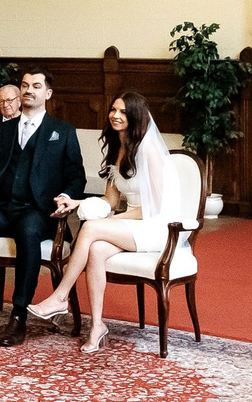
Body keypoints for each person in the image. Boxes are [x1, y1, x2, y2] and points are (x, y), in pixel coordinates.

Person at [23, 91, 174, 352]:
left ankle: (60, 296)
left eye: (123, 112)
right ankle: (97, 326)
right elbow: (110, 201)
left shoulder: (149, 151)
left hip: (156, 228)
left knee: (92, 228)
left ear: (136, 116)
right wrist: (76, 203)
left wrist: (115, 219)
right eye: (113, 110)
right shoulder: (119, 149)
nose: (115, 115)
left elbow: (155, 209)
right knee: (95, 249)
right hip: (132, 225)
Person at [0, 70, 81, 339]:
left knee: (28, 231)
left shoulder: (62, 132)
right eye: (25, 85)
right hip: (2, 206)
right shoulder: (1, 130)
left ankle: (18, 314)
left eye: (36, 86)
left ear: (48, 93)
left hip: (39, 211)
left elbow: (76, 175)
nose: (29, 90)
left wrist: (67, 196)